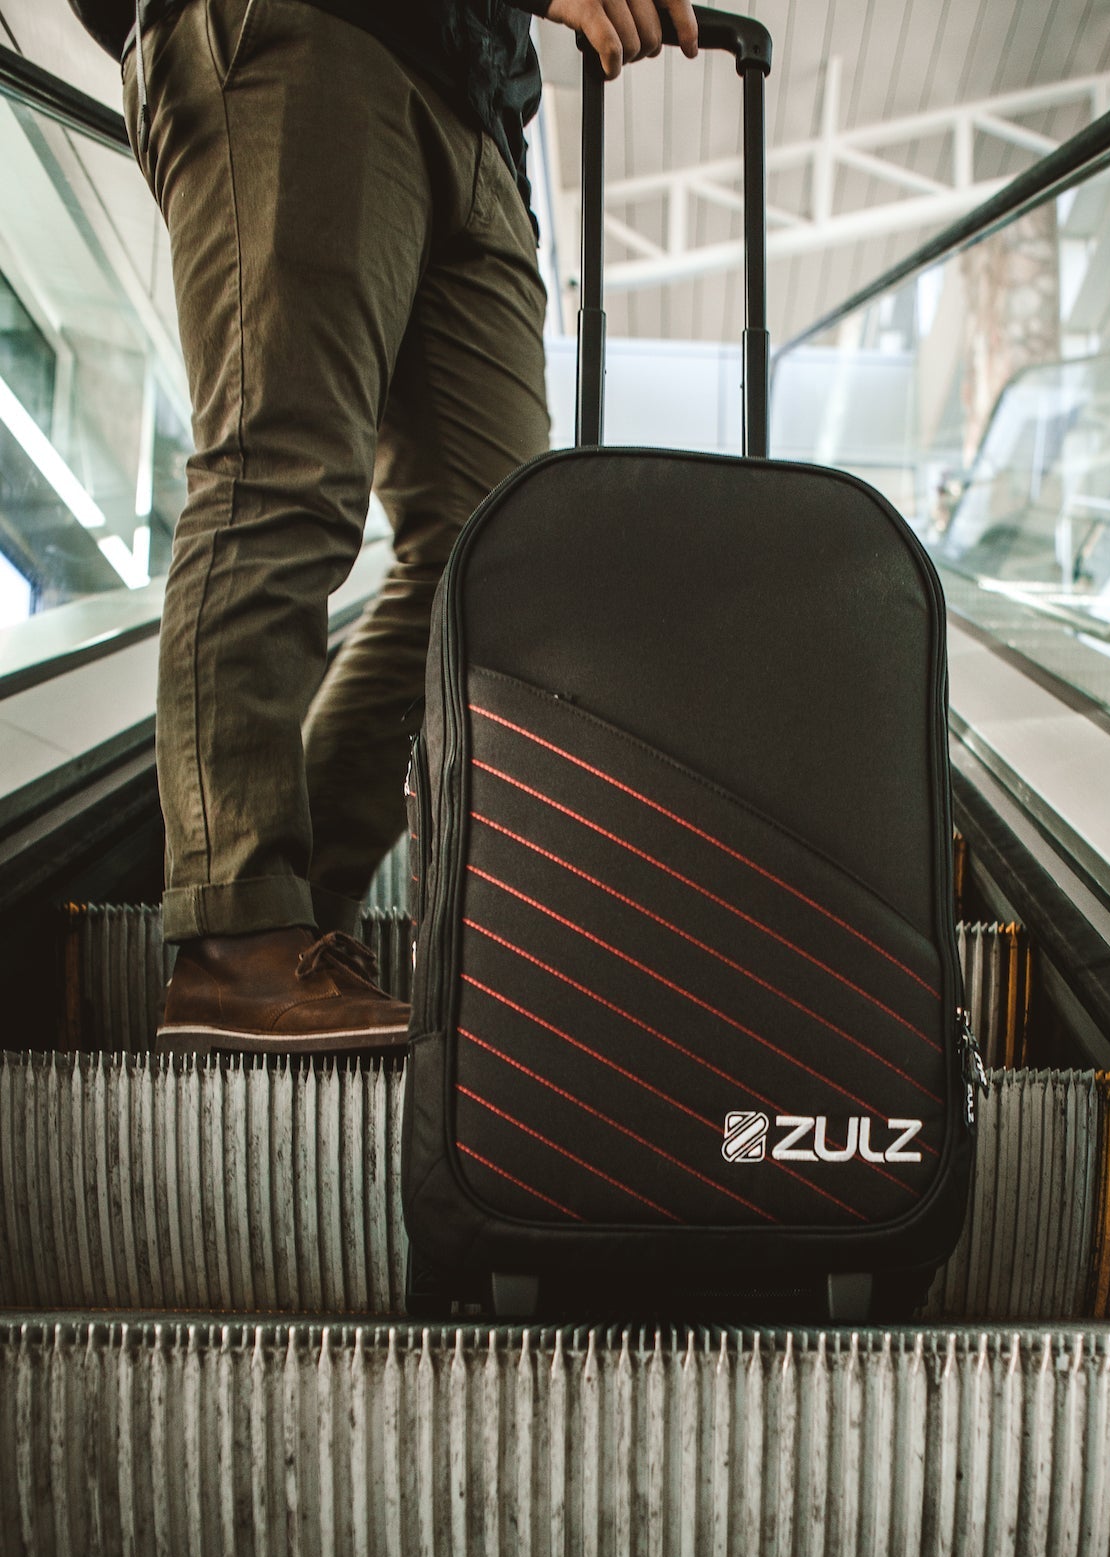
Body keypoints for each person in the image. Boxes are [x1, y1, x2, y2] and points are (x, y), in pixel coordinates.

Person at [113, 0, 698, 1051]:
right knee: (281, 475)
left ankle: (312, 917)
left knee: (495, 567)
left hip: (480, 116)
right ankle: (233, 935)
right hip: (311, 30)